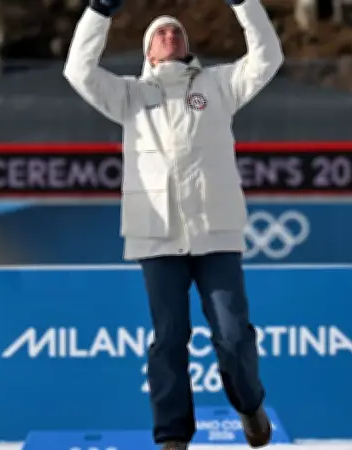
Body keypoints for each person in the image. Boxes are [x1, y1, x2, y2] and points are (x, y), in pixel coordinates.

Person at [63, 0, 283, 448]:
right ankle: (172, 437)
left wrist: (244, 5)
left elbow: (268, 57)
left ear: (187, 46)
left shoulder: (219, 85)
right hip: (157, 237)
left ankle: (250, 406)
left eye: (176, 32)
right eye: (159, 34)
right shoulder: (128, 95)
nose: (169, 35)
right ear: (148, 53)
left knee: (232, 333)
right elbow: (78, 70)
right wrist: (99, 12)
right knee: (168, 340)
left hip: (215, 231)